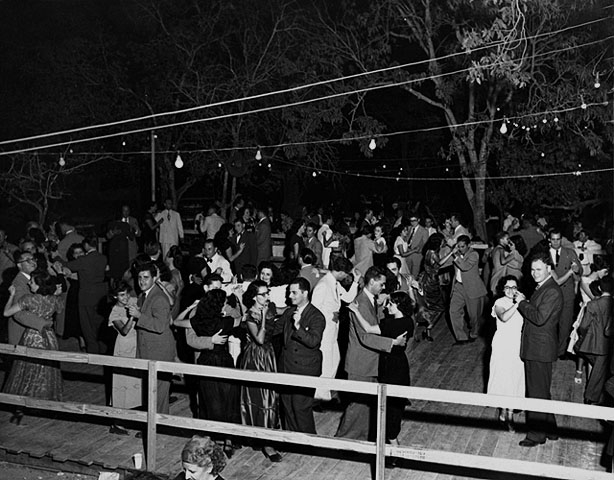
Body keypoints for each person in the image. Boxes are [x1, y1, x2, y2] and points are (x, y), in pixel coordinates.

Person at [336, 267, 407, 440]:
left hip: (369, 362)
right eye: (381, 284)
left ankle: (361, 438)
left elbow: (375, 323)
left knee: (367, 405)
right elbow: (365, 337)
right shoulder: (361, 302)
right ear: (372, 281)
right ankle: (344, 441)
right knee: (357, 406)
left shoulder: (370, 299)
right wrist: (392, 343)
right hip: (361, 363)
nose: (383, 287)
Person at [348, 291, 413, 447]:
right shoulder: (409, 322)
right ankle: (393, 443)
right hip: (401, 366)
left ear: (398, 306)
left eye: (391, 304)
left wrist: (356, 311)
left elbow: (369, 329)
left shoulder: (390, 324)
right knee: (395, 407)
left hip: (389, 368)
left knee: (388, 409)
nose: (387, 307)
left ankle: (394, 448)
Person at [3, 270, 64, 424]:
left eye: (32, 282)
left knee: (26, 370)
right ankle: (47, 405)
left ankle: (21, 406)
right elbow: (59, 310)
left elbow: (6, 313)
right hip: (49, 337)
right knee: (47, 370)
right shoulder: (54, 300)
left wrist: (11, 295)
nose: (29, 283)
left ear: (39, 285)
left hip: (32, 337)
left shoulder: (28, 299)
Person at [515, 252, 563, 447]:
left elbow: (539, 317)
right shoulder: (545, 286)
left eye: (539, 269)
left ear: (549, 269)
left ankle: (536, 435)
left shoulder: (551, 290)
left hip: (539, 349)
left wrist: (522, 303)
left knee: (535, 393)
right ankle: (550, 430)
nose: (534, 273)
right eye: (532, 269)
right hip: (539, 347)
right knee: (541, 390)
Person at [274, 277, 325, 434]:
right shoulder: (289, 312)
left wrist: (298, 327)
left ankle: (309, 443)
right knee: (288, 407)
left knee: (301, 408)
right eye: (290, 292)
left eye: (294, 292)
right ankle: (293, 442)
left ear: (305, 293)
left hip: (305, 369)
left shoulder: (317, 316)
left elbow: (314, 342)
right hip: (287, 367)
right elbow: (276, 330)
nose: (290, 296)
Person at [239, 280, 282, 462]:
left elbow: (281, 312)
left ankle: (267, 433)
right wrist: (264, 316)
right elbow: (259, 338)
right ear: (254, 297)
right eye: (262, 294)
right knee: (259, 395)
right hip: (255, 357)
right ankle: (264, 442)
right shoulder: (251, 315)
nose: (266, 297)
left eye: (267, 293)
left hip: (269, 355)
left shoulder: (269, 306)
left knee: (271, 394)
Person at [129, 263, 177, 416]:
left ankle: (155, 426)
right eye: (139, 278)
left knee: (158, 393)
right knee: (154, 392)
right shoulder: (146, 295)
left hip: (159, 351)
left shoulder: (158, 298)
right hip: (150, 350)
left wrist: (139, 316)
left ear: (155, 278)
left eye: (146, 277)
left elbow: (160, 326)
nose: (142, 281)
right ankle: (155, 424)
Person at [311, 256, 360, 403]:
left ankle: (324, 393)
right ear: (340, 272)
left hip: (333, 330)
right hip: (323, 331)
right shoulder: (323, 285)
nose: (347, 276)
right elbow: (314, 310)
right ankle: (319, 397)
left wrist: (356, 282)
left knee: (334, 360)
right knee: (325, 364)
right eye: (346, 273)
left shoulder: (335, 283)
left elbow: (348, 298)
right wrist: (329, 316)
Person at [487, 275, 525, 431]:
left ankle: (507, 413)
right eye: (508, 287)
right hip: (503, 345)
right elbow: (503, 317)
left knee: (515, 378)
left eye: (514, 287)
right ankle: (506, 415)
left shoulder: (521, 302)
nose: (511, 290)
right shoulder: (499, 302)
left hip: (517, 344)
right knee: (504, 379)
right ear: (502, 289)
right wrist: (517, 304)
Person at [62, 236, 109, 354]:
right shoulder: (103, 258)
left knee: (87, 325)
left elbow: (67, 265)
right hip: (102, 292)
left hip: (86, 295)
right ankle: (103, 350)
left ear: (86, 246)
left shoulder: (84, 260)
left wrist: (56, 256)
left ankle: (93, 352)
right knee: (99, 322)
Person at [108, 281, 141, 435]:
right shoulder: (114, 311)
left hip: (137, 345)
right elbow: (124, 331)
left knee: (137, 384)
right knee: (122, 385)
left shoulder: (133, 301)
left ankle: (135, 419)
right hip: (123, 347)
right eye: (121, 295)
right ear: (115, 296)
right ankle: (117, 423)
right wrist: (132, 316)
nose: (126, 297)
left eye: (127, 293)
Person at [575, 276, 613, 405]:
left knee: (598, 371)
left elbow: (583, 326)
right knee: (599, 373)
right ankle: (591, 398)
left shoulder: (592, 304)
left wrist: (586, 336)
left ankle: (591, 396)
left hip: (589, 345)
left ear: (600, 288)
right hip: (605, 347)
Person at [449, 235, 488, 344]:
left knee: (473, 316)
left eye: (462, 247)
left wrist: (455, 255)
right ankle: (461, 337)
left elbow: (465, 267)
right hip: (458, 287)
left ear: (468, 245)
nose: (460, 248)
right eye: (459, 246)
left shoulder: (473, 254)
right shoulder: (456, 255)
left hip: (472, 288)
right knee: (453, 311)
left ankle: (474, 333)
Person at [549, 229, 581, 356]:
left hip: (567, 293)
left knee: (565, 324)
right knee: (550, 323)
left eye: (558, 239)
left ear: (561, 239)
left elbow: (579, 270)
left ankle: (561, 351)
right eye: (553, 239)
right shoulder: (545, 254)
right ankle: (550, 349)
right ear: (549, 240)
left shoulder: (570, 253)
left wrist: (577, 269)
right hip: (551, 293)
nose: (556, 242)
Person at [415, 234, 449, 342]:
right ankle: (427, 328)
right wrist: (452, 253)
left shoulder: (429, 251)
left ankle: (426, 329)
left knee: (428, 306)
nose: (445, 242)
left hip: (428, 280)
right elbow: (439, 264)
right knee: (436, 306)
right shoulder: (433, 253)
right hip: (430, 282)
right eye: (444, 240)